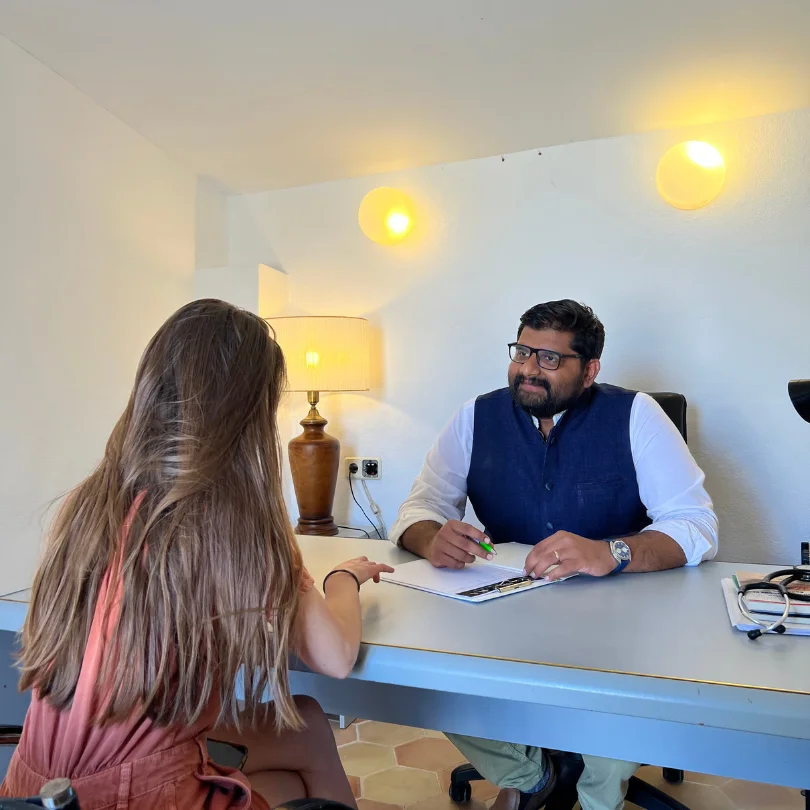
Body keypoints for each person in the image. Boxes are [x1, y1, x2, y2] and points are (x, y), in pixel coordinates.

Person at [1, 299, 394, 809]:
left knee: (309, 727)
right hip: (136, 793)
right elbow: (335, 657)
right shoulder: (232, 526)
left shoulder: (87, 505)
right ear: (249, 417)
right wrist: (343, 577)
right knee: (301, 768)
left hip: (38, 789)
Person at [390, 299, 718, 810]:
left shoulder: (636, 415)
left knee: (616, 735)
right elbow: (418, 508)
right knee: (429, 677)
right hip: (504, 614)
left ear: (589, 370)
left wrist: (612, 551)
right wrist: (430, 538)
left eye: (549, 358)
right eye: (522, 351)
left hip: (618, 624)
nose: (527, 369)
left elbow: (696, 525)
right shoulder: (475, 417)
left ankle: (596, 796)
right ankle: (529, 777)